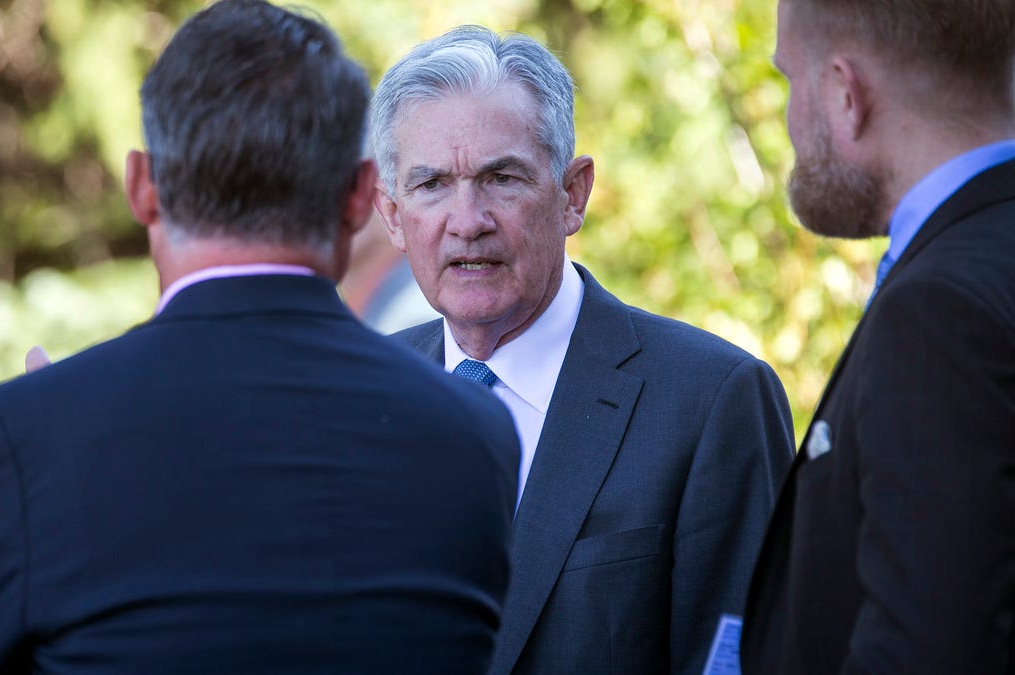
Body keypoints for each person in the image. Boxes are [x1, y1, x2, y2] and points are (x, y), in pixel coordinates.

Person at [0, 2, 520, 672]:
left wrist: (52, 457)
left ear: (142, 187)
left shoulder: (32, 441)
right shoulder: (475, 431)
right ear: (363, 195)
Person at [370, 26, 795, 675]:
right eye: (431, 185)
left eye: (501, 177)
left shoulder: (710, 402)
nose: (468, 219)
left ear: (573, 193)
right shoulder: (367, 394)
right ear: (393, 214)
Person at [741, 1, 1015, 672]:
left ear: (844, 92)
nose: (787, 118)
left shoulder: (937, 310)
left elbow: (929, 645)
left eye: (788, 80)